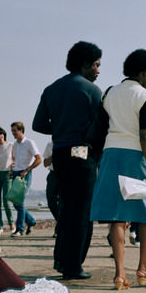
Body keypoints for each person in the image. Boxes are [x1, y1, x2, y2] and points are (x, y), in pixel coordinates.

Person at [90, 49, 146, 290]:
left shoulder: (109, 93)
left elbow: (101, 128)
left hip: (111, 155)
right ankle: (143, 270)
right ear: (143, 73)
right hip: (135, 156)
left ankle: (120, 274)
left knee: (117, 217)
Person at [32, 41, 102, 279]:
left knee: (66, 208)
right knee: (82, 211)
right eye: (96, 65)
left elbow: (38, 124)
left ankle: (61, 260)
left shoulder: (52, 89)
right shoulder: (92, 91)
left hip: (60, 153)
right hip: (81, 152)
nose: (98, 71)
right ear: (85, 64)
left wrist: (61, 128)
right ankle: (74, 266)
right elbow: (99, 128)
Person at [8, 121, 41, 236]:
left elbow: (38, 159)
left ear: (21, 130)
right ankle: (31, 221)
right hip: (16, 173)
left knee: (19, 202)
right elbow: (15, 160)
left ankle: (19, 229)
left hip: (25, 174)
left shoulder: (30, 143)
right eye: (12, 131)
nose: (13, 133)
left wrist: (27, 170)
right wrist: (12, 171)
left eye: (14, 131)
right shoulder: (15, 145)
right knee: (15, 202)